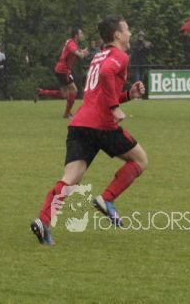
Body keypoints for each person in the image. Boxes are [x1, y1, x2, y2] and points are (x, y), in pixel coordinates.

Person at [30, 15, 147, 245]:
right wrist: (114, 108)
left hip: (80, 123)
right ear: (118, 35)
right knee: (140, 160)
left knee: (70, 178)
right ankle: (107, 199)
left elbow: (99, 92)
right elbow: (106, 75)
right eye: (127, 29)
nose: (130, 33)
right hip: (101, 124)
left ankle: (43, 221)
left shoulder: (99, 55)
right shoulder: (119, 56)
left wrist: (127, 95)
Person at [36, 28, 87, 119]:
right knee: (74, 90)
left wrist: (81, 51)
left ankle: (41, 92)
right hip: (64, 70)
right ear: (76, 35)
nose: (82, 35)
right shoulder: (72, 44)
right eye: (81, 33)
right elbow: (75, 52)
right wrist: (81, 54)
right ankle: (67, 114)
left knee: (64, 94)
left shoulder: (70, 41)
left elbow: (75, 50)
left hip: (61, 69)